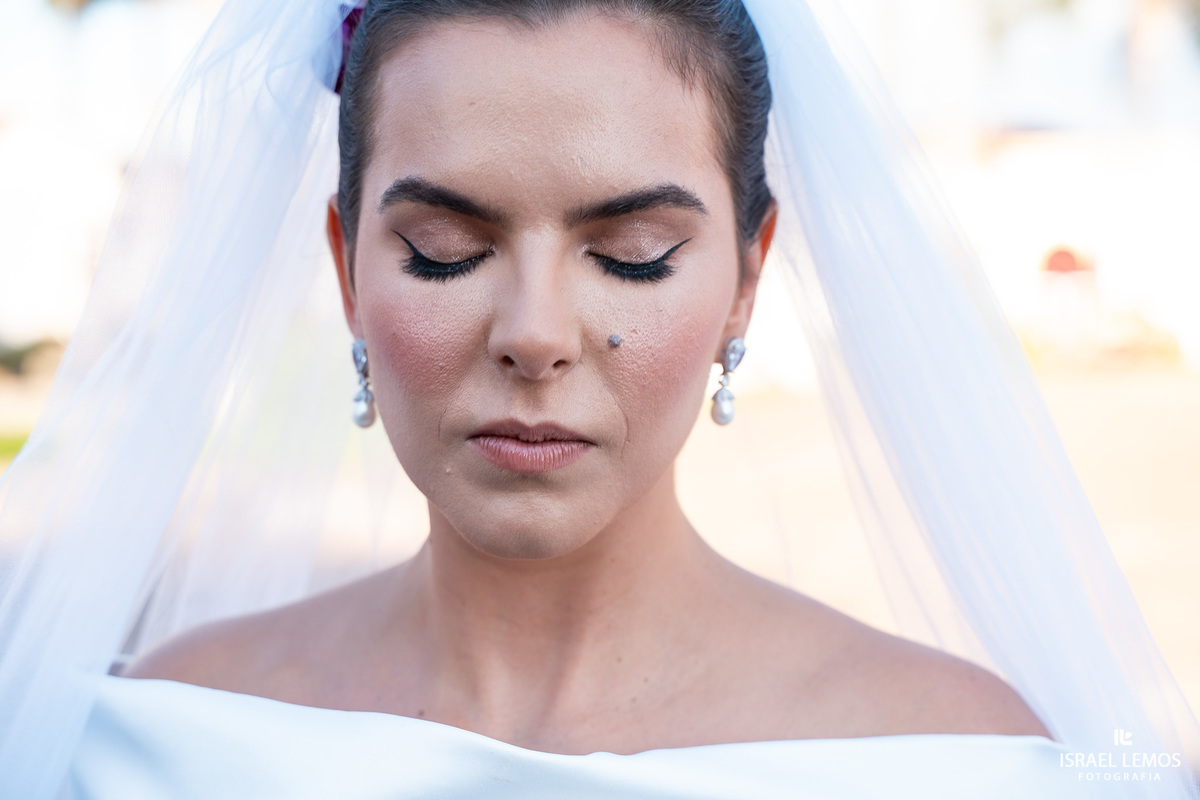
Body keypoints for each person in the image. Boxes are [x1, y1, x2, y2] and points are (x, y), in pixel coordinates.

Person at [0, 0, 1196, 798]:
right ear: (345, 267)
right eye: (439, 248)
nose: (533, 333)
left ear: (748, 276)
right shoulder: (148, 737)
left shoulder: (964, 761)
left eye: (628, 254)